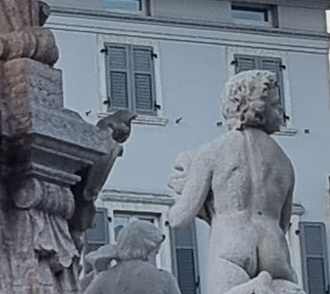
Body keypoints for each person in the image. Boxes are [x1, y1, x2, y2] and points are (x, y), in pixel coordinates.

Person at [167, 71, 305, 294]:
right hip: (274, 247)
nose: (280, 113)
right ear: (258, 107)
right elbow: (284, 223)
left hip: (231, 240)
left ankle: (255, 286)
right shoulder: (285, 162)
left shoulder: (214, 151)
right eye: (276, 106)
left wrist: (187, 179)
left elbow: (179, 218)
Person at [79, 220, 181, 294]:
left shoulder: (103, 278)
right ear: (149, 248)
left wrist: (98, 270)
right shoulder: (163, 279)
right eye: (155, 252)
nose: (155, 255)